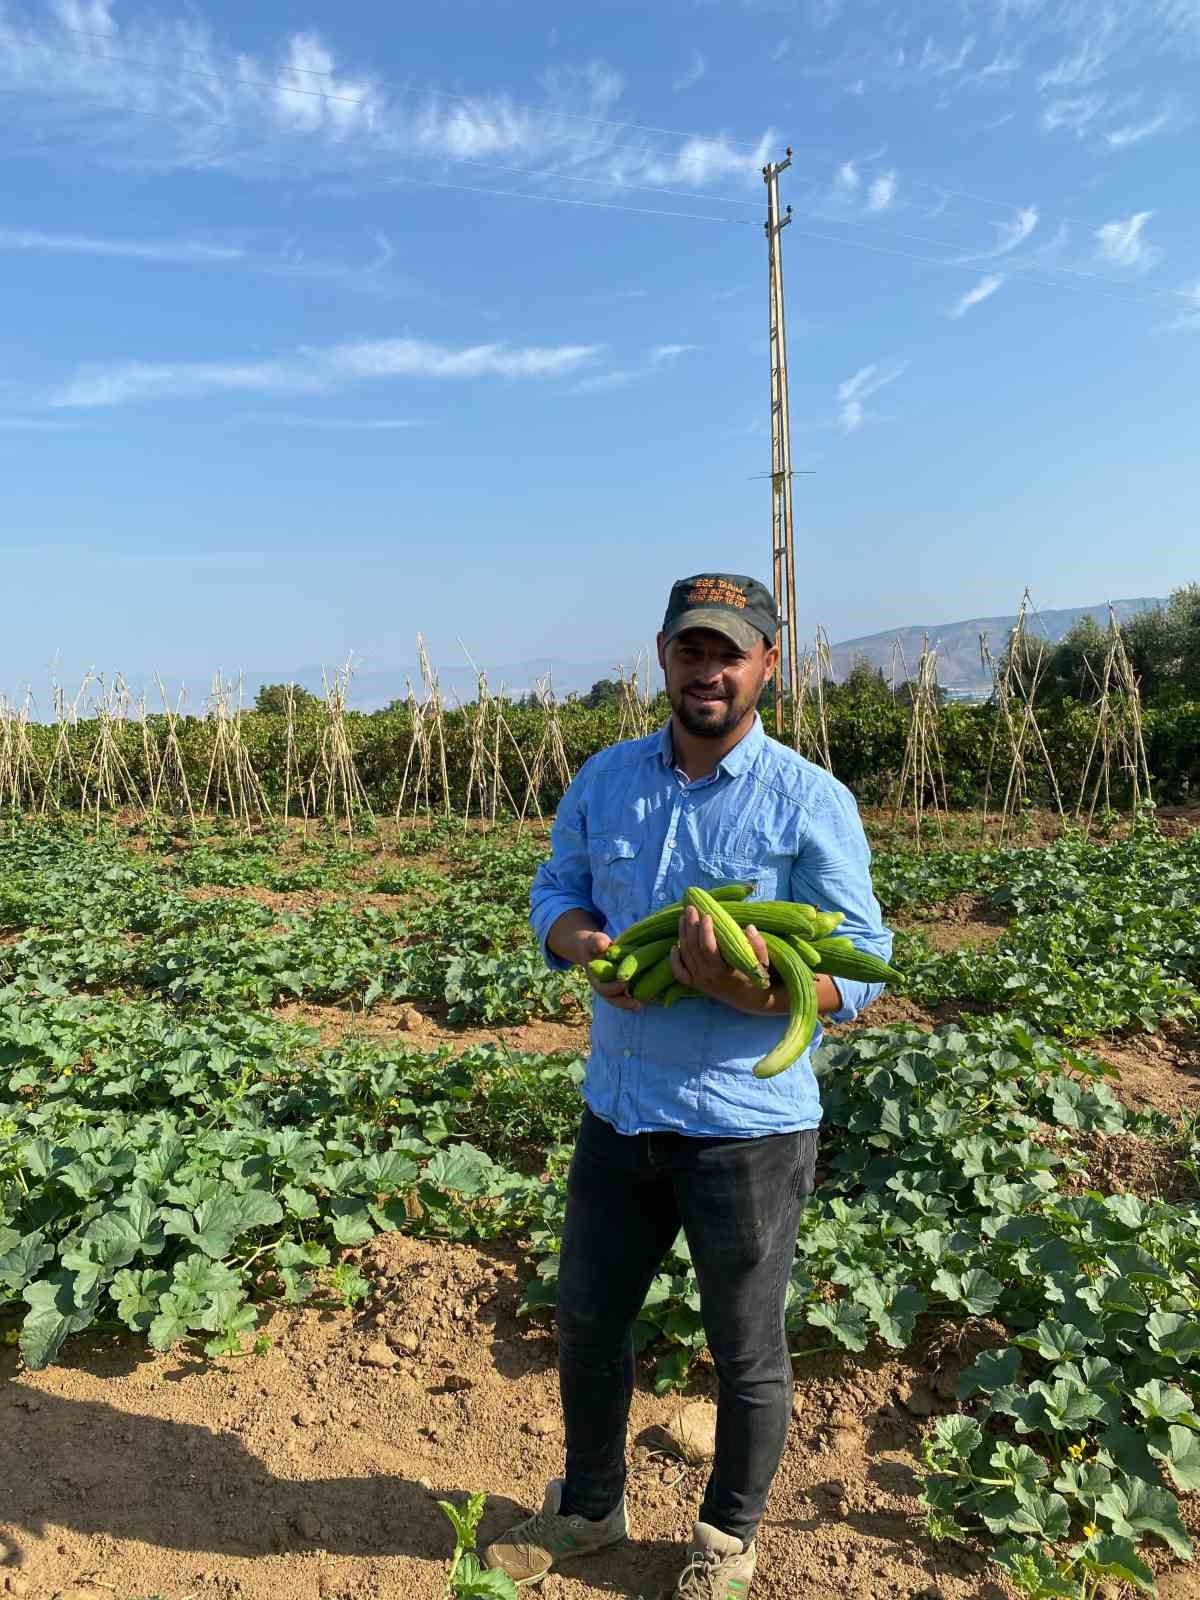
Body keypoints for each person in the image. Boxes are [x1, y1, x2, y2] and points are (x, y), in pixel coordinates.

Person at [484, 573, 892, 1597]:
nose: (708, 669)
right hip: (619, 1109)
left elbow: (863, 964)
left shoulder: (807, 798)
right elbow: (555, 891)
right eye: (690, 648)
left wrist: (759, 993)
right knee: (585, 1318)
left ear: (766, 667)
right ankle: (589, 1505)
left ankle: (725, 1540)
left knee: (745, 1350)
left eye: (731, 652)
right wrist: (579, 941)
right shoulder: (606, 779)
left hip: (745, 1126)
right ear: (661, 655)